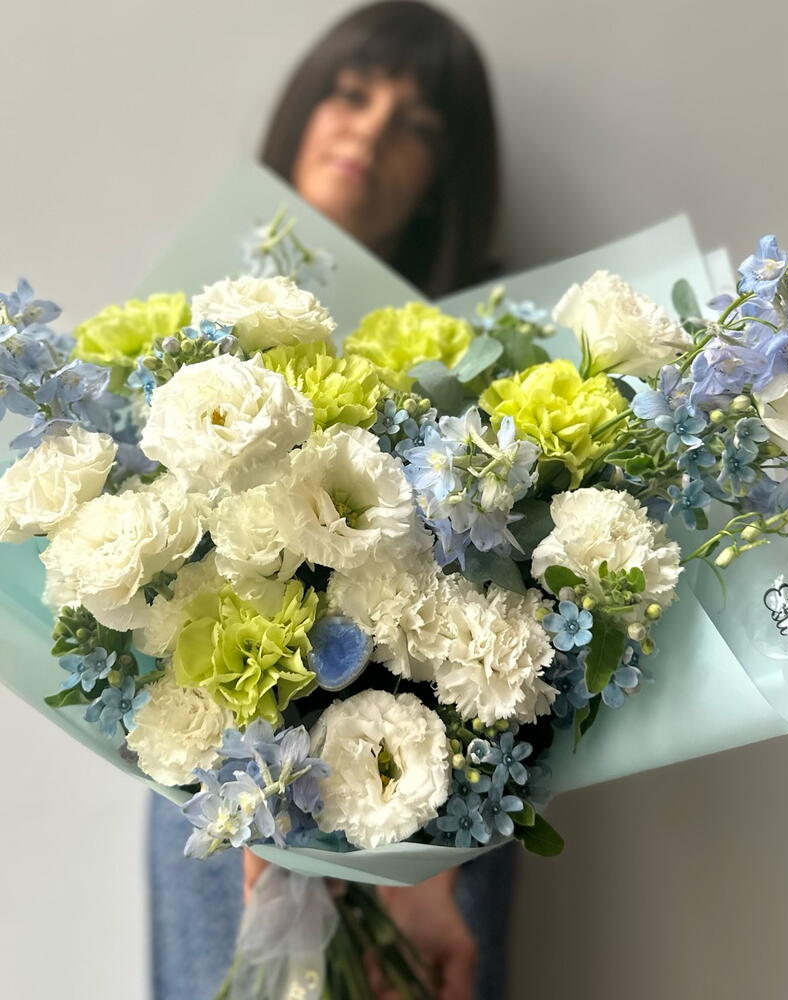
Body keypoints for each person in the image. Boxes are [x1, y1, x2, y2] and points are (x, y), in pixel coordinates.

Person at [148, 4, 516, 1000]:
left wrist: (428, 864)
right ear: (306, 108)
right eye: (352, 95)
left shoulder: (486, 375)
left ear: (445, 179)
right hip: (224, 807)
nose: (372, 131)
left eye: (417, 125)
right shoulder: (191, 354)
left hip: (430, 823)